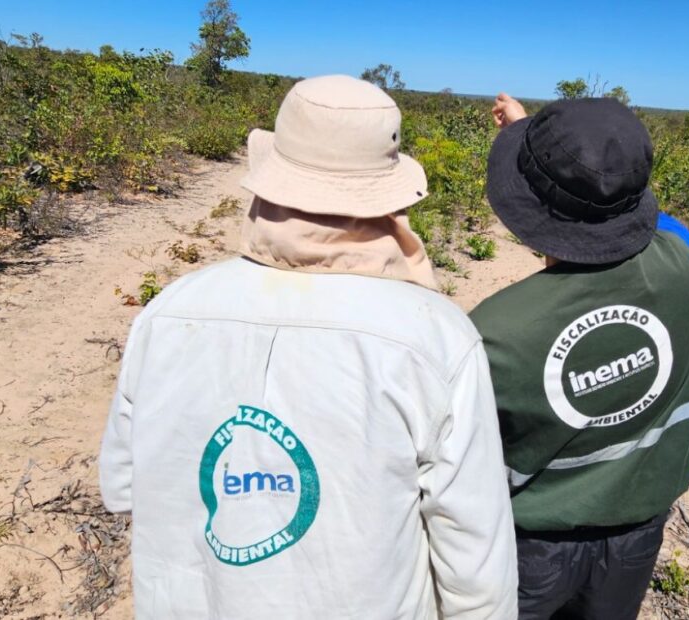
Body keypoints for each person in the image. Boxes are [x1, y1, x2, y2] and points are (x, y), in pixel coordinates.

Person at [99, 75, 518, 619]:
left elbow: (124, 486)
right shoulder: (436, 335)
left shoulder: (170, 311)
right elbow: (472, 544)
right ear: (385, 193)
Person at [471, 93, 689, 619]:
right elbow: (639, 213)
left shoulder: (498, 330)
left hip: (532, 544)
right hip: (639, 533)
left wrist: (539, 150)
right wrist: (573, 161)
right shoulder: (684, 260)